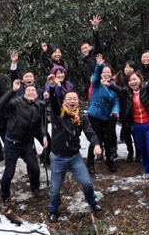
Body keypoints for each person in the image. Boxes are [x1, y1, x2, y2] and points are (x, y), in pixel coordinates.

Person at [43, 88, 102, 223]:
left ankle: (92, 202)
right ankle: (53, 210)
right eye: (69, 99)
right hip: (58, 158)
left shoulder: (82, 118)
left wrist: (96, 144)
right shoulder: (58, 114)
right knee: (55, 189)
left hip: (75, 157)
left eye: (74, 99)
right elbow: (54, 101)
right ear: (64, 102)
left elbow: (90, 133)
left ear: (78, 102)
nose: (72, 101)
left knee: (87, 183)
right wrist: (52, 87)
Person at [108, 68, 149, 191]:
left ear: (140, 79)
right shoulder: (128, 92)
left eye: (135, 79)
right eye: (130, 80)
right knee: (143, 150)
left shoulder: (145, 88)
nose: (132, 82)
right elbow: (118, 90)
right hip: (137, 126)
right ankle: (147, 169)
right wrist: (108, 84)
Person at [0, 79, 48, 207]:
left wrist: (43, 136)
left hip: (26, 143)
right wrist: (12, 90)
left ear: (37, 94)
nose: (31, 92)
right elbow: (1, 103)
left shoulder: (39, 106)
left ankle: (35, 188)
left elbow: (39, 124)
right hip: (11, 143)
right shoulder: (17, 102)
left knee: (34, 167)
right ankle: (5, 195)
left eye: (33, 91)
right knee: (9, 171)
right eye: (28, 91)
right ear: (24, 94)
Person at [85, 54, 119, 174]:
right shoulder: (97, 83)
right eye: (104, 72)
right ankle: (90, 163)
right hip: (94, 116)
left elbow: (116, 101)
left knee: (108, 140)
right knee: (96, 139)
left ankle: (109, 161)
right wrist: (99, 65)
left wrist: (115, 110)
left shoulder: (113, 86)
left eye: (108, 72)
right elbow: (96, 74)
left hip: (107, 117)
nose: (106, 74)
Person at [78, 15, 103, 96]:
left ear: (91, 47)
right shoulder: (82, 60)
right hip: (90, 88)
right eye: (82, 49)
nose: (84, 50)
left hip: (100, 84)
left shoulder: (96, 54)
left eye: (86, 48)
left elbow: (97, 42)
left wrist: (95, 28)